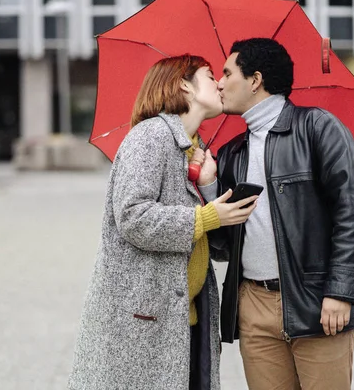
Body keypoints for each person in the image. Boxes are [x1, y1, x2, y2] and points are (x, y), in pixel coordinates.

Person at [68, 54, 258, 390]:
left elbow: (219, 248)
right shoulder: (151, 136)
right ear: (184, 84)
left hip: (184, 321)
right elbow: (132, 216)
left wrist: (209, 186)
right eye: (210, 74)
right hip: (143, 325)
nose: (218, 83)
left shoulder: (194, 151)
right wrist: (207, 214)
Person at [197, 38, 354, 390]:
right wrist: (211, 186)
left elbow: (352, 215)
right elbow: (222, 246)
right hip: (254, 307)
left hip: (317, 302)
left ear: (255, 80)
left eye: (227, 73)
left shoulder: (319, 129)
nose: (218, 81)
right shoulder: (231, 154)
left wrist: (341, 292)